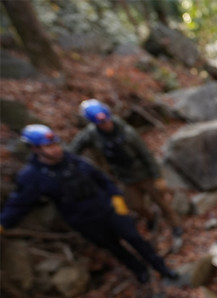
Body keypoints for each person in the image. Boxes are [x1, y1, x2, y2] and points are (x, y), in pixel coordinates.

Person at [0, 124, 179, 284]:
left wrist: (117, 199)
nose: (55, 150)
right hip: (85, 222)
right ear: (35, 149)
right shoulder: (32, 177)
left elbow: (104, 180)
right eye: (49, 146)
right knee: (114, 248)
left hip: (109, 211)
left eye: (55, 144)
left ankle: (160, 267)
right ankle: (139, 270)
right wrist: (3, 223)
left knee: (135, 238)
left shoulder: (76, 161)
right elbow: (19, 203)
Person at [68, 99, 183, 245]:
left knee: (162, 202)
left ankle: (176, 226)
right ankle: (151, 218)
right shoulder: (92, 134)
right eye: (101, 123)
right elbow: (75, 147)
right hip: (125, 178)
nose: (106, 124)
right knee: (135, 205)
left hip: (144, 174)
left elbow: (146, 154)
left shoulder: (127, 133)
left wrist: (157, 177)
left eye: (106, 120)